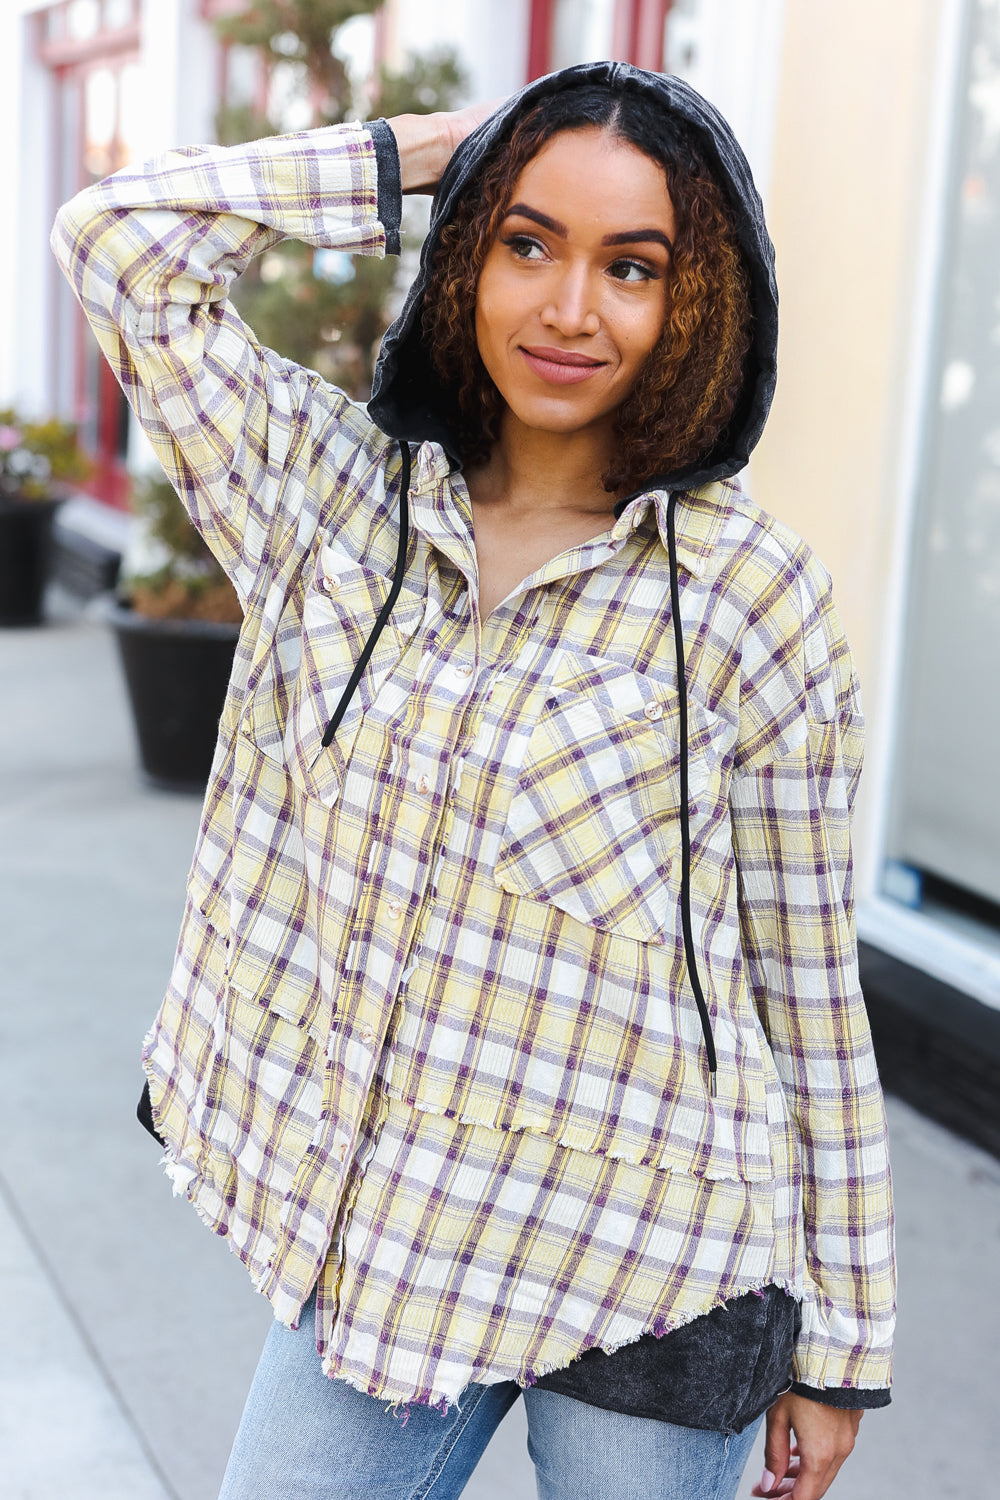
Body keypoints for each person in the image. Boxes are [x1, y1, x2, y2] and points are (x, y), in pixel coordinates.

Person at [52, 61, 895, 1500]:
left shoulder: (751, 598)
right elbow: (118, 244)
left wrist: (844, 1343)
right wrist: (416, 161)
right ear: (465, 253)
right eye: (526, 241)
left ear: (696, 304)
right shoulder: (328, 502)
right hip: (391, 1246)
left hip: (656, 1260)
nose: (572, 310)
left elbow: (804, 986)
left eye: (631, 267)